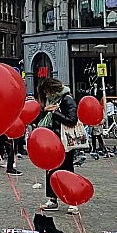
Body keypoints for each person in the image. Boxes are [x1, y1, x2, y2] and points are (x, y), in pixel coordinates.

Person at [35, 78, 79, 213]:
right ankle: (52, 199)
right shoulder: (48, 102)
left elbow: (72, 120)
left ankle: (73, 201)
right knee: (50, 170)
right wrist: (44, 111)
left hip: (65, 141)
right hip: (50, 142)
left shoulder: (67, 99)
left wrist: (55, 113)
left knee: (66, 170)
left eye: (48, 91)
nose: (47, 95)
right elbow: (38, 121)